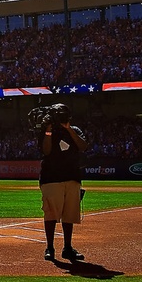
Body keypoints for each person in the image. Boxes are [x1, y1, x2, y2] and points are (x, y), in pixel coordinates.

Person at [38, 103, 87, 262]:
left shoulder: (75, 130)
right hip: (51, 177)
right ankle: (50, 247)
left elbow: (83, 146)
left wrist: (68, 129)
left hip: (71, 176)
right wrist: (48, 130)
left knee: (69, 214)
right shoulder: (46, 130)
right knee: (51, 213)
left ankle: (67, 247)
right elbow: (46, 150)